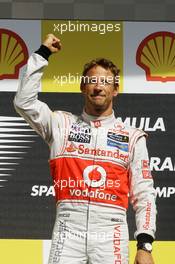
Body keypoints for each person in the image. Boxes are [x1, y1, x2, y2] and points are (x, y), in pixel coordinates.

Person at [14, 34, 156, 264]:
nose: (99, 87)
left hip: (112, 232)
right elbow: (24, 102)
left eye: (106, 82)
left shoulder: (132, 137)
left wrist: (145, 244)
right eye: (92, 81)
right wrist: (42, 54)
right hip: (68, 229)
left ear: (115, 89)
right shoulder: (61, 124)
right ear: (82, 86)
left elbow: (144, 193)